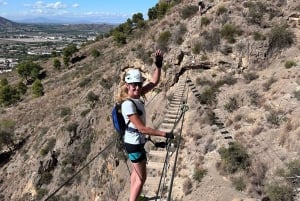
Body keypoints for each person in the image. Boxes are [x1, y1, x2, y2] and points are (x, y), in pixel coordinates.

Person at [118, 50, 174, 201]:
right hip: (134, 144)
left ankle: (132, 197)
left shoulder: (138, 94)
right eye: (133, 85)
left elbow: (155, 82)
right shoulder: (128, 105)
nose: (137, 88)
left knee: (136, 175)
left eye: (138, 84)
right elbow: (141, 128)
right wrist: (165, 134)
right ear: (127, 86)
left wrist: (158, 66)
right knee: (142, 179)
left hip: (134, 142)